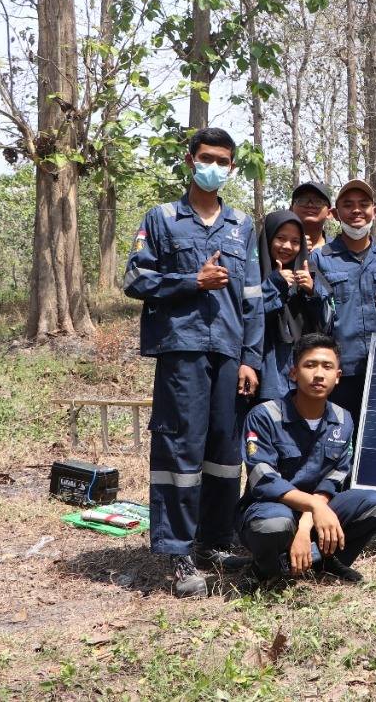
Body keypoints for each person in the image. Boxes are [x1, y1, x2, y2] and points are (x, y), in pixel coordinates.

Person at [123, 127, 264, 597]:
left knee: (224, 453)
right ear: (189, 160)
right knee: (180, 451)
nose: (215, 167)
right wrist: (191, 281)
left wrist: (250, 359)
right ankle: (178, 551)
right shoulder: (162, 219)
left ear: (232, 167)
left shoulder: (242, 225)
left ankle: (214, 541)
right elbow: (136, 279)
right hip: (181, 351)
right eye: (207, 158)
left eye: (223, 161)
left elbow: (253, 301)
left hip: (229, 353)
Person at [238, 334, 376, 588]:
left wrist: (310, 515)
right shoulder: (263, 415)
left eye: (327, 366)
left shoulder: (344, 420)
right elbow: (264, 481)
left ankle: (323, 559)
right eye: (310, 365)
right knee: (274, 524)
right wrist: (313, 509)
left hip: (318, 509)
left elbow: (335, 478)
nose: (319, 374)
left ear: (338, 376)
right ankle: (266, 568)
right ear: (294, 373)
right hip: (270, 508)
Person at [310, 178, 376, 425]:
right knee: (339, 438)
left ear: (374, 211)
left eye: (363, 204)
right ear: (335, 213)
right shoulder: (320, 259)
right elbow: (313, 316)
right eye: (348, 204)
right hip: (340, 371)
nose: (356, 210)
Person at [255, 210, 332, 402]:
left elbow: (327, 323)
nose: (287, 246)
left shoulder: (310, 272)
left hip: (304, 374)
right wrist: (274, 285)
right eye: (280, 238)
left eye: (295, 242)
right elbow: (250, 318)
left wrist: (312, 292)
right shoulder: (252, 272)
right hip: (265, 371)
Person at [290, 181, 333, 252]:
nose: (310, 205)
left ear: (329, 213)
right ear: (291, 210)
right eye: (302, 200)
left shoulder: (339, 254)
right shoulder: (277, 249)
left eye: (318, 201)